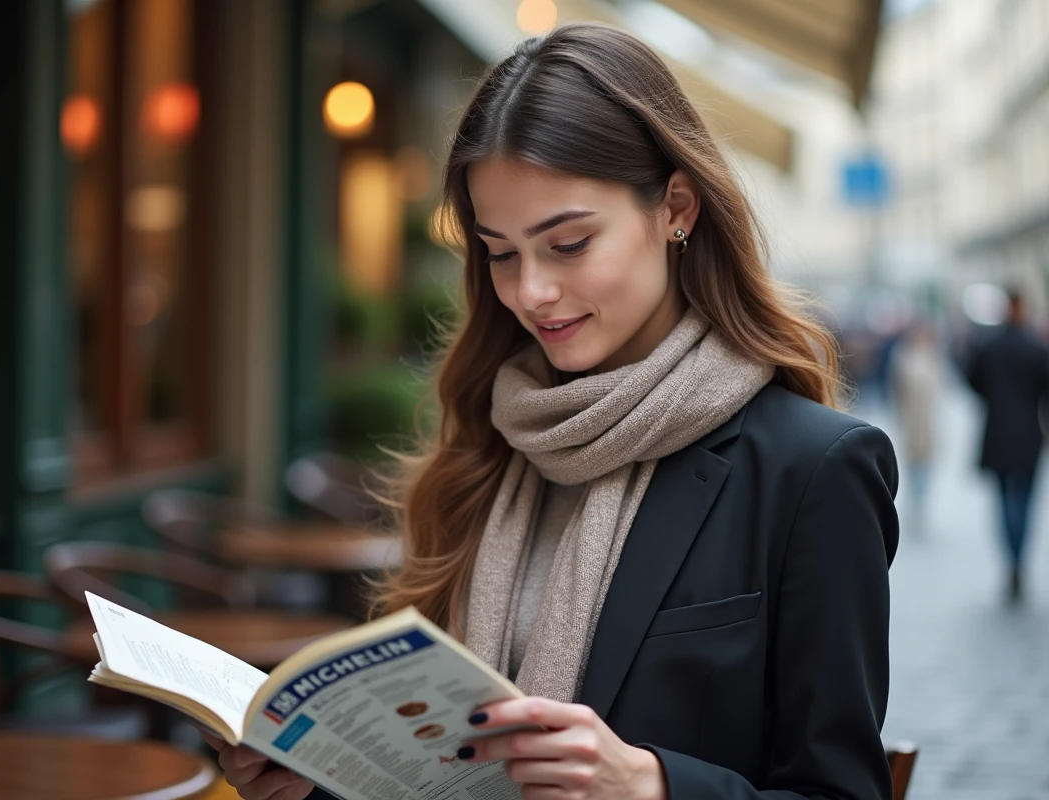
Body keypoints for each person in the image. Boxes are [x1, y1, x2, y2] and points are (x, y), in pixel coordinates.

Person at [208, 23, 899, 800]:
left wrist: (651, 785)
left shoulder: (814, 470)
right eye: (500, 253)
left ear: (676, 206)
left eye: (567, 243)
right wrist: (319, 781)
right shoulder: (491, 445)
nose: (530, 291)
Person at [966, 289, 1049, 602]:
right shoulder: (1036, 347)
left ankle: (1011, 561)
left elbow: (972, 380)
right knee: (1025, 502)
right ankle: (1018, 560)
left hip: (997, 432)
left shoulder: (989, 346)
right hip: (1029, 435)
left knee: (1003, 502)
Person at [890, 320, 944, 533]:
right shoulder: (905, 359)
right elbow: (897, 391)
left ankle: (920, 505)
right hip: (912, 420)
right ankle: (915, 503)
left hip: (927, 420)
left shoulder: (933, 359)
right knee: (914, 465)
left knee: (926, 465)